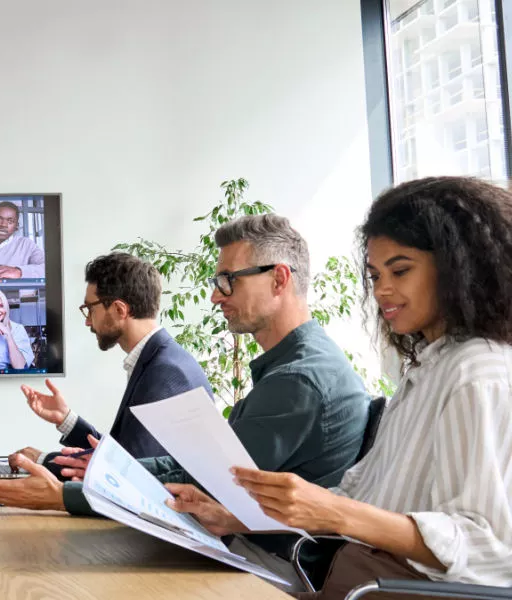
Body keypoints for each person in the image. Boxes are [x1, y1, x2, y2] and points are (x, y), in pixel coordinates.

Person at [169, 177, 512, 598]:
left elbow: (487, 546)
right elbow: (359, 498)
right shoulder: (428, 367)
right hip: (352, 579)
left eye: (400, 270)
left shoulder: (476, 374)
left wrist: (335, 512)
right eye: (374, 275)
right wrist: (236, 517)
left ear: (458, 267)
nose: (382, 289)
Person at [0, 216, 370, 564]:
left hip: (265, 562)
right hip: (248, 547)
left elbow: (209, 485)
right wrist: (97, 469)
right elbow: (197, 468)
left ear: (279, 278)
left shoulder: (297, 379)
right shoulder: (292, 367)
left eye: (227, 281)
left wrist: (65, 493)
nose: (216, 296)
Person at [8, 252, 212, 481]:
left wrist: (41, 460)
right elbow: (122, 454)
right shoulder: (158, 359)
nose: (87, 320)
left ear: (119, 310)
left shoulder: (165, 372)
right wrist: (65, 419)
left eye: (90, 309)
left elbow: (126, 474)